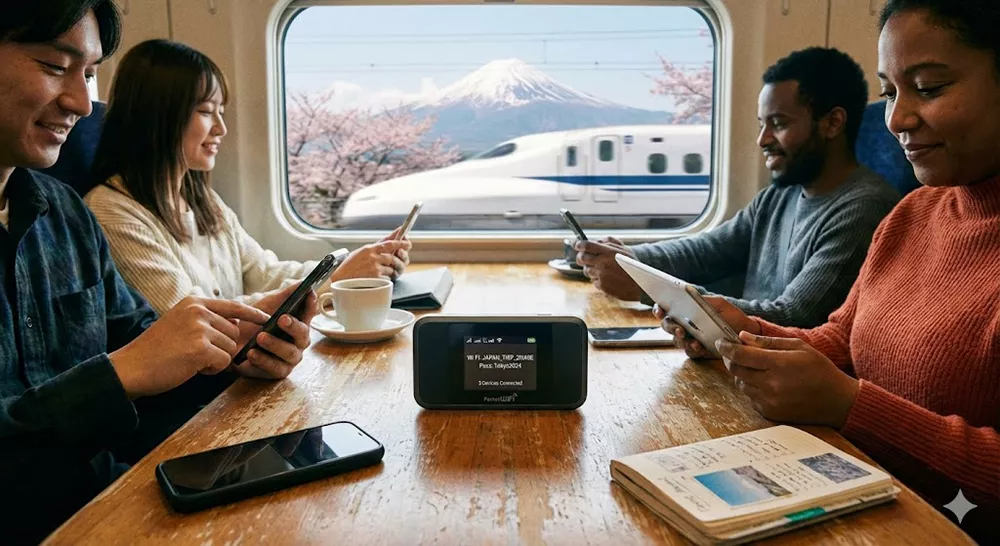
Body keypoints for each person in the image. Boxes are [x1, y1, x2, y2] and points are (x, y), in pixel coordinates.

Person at [661, 1, 1000, 541]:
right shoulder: (913, 213)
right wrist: (741, 333)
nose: (896, 120)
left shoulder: (871, 204)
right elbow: (842, 338)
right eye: (890, 93)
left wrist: (850, 405)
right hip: (865, 499)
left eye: (929, 88)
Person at [0, 3, 316, 543]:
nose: (82, 103)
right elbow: (131, 366)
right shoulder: (106, 208)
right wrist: (121, 373)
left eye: (89, 75)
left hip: (108, 502)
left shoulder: (65, 215)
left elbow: (145, 352)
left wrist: (235, 359)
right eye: (55, 66)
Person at [84, 39, 412, 316]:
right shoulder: (112, 213)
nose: (221, 129)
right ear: (157, 114)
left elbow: (264, 273)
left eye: (221, 112)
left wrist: (351, 265)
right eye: (206, 111)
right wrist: (337, 282)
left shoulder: (201, 200)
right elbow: (192, 318)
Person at [576, 47, 900, 328]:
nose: (763, 140)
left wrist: (647, 288)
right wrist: (628, 258)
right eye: (762, 125)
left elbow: (794, 316)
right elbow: (707, 252)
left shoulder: (864, 210)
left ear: (832, 123)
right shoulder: (781, 194)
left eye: (779, 124)